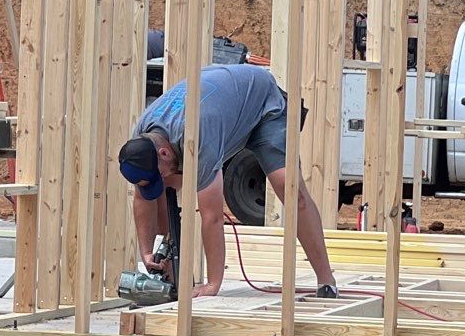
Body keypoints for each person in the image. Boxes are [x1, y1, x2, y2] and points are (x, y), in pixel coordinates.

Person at [119, 64, 338, 300]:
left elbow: (212, 216)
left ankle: (326, 280)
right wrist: (147, 251)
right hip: (224, 101)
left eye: (157, 173)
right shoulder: (143, 136)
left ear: (163, 152)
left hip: (262, 102)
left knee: (289, 186)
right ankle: (170, 263)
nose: (158, 179)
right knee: (167, 183)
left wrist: (213, 284)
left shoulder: (198, 134)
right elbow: (144, 196)